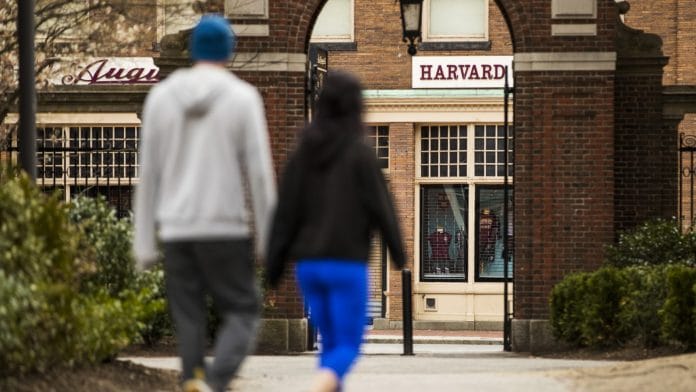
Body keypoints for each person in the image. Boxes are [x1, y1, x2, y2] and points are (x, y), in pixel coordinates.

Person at [133, 14, 276, 392]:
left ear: (193, 49)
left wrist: (144, 243)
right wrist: (268, 238)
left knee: (189, 315)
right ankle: (215, 380)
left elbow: (149, 174)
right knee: (243, 310)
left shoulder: (162, 98)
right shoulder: (243, 98)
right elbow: (260, 175)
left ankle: (194, 377)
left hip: (178, 228)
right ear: (229, 50)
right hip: (226, 226)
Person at [265, 71, 406, 392]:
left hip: (309, 266)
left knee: (329, 344)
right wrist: (399, 254)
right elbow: (383, 208)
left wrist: (274, 263)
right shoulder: (360, 155)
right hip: (346, 263)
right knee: (347, 346)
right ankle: (319, 386)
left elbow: (285, 213)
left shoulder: (301, 155)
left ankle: (327, 382)